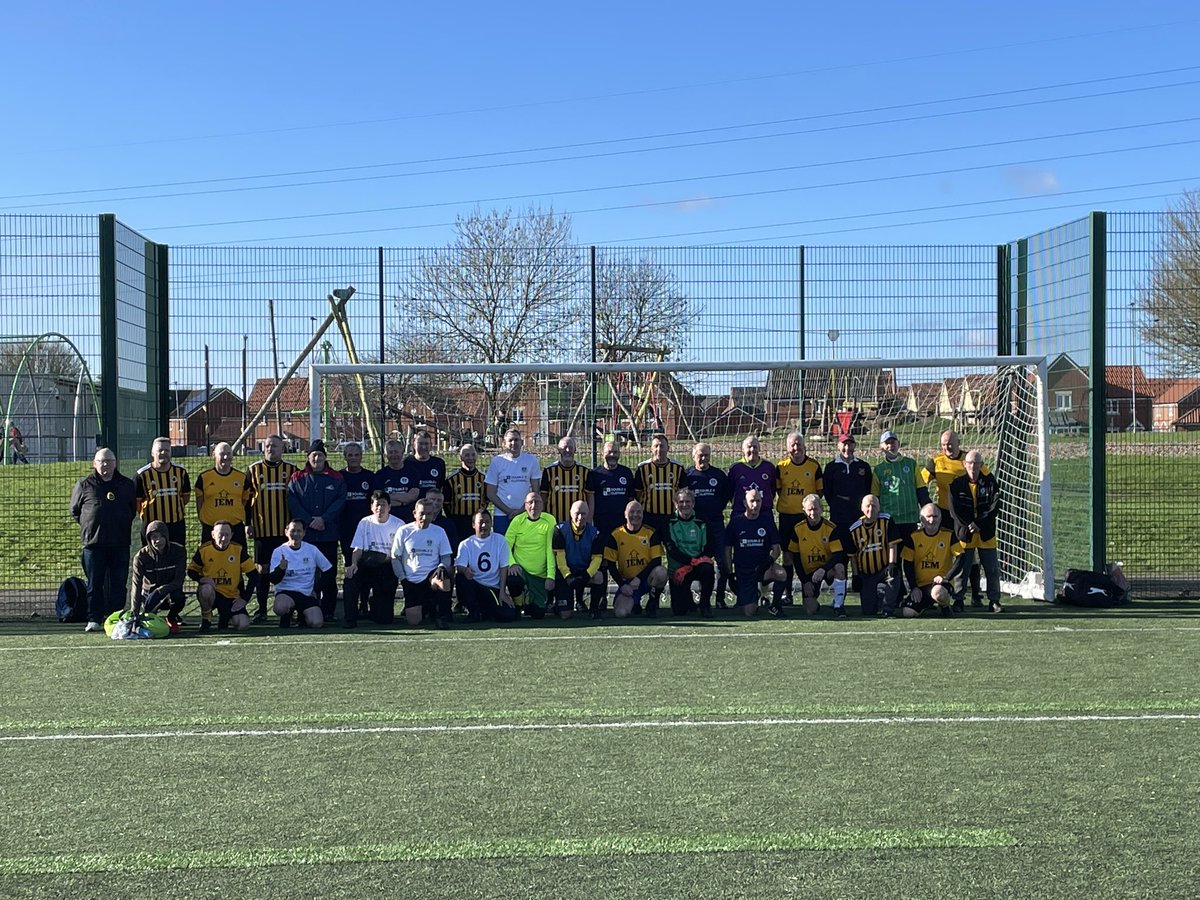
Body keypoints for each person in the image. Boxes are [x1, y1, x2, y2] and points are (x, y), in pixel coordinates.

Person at [70, 448, 137, 632]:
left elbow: (132, 510)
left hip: (120, 543)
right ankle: (94, 618)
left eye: (109, 461)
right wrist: (90, 526)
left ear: (115, 463)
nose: (105, 464)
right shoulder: (84, 485)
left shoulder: (126, 485)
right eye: (101, 461)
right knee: (94, 584)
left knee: (118, 583)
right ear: (94, 463)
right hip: (93, 545)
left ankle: (115, 618)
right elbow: (75, 511)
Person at [922, 430, 987, 606]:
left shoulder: (968, 459)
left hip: (965, 517)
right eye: (943, 444)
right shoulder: (935, 462)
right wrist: (929, 505)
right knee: (945, 552)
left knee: (969, 555)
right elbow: (921, 482)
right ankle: (943, 588)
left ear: (959, 442)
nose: (947, 447)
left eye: (950, 443)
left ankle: (975, 594)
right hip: (943, 515)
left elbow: (987, 478)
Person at [287, 440, 347, 620]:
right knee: (305, 573)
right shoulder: (297, 477)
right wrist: (308, 521)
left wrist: (324, 519)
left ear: (325, 457)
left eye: (320, 455)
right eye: (313, 455)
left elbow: (340, 500)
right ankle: (304, 609)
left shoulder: (336, 478)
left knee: (329, 572)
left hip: (328, 534)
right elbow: (292, 501)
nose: (316, 458)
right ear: (308, 457)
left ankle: (328, 610)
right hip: (306, 536)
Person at [245, 434, 298, 624]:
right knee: (263, 570)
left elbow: (297, 499)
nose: (270, 449)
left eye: (274, 446)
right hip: (262, 529)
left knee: (286, 568)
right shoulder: (253, 470)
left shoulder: (292, 470)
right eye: (267, 445)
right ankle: (261, 609)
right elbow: (246, 500)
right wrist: (247, 523)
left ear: (282, 449)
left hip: (285, 530)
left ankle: (289, 608)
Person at [947, 450, 1004, 613]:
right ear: (964, 464)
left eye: (976, 463)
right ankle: (958, 600)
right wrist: (969, 524)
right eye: (970, 463)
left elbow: (994, 506)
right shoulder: (956, 484)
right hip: (965, 533)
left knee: (992, 569)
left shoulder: (990, 482)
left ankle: (994, 601)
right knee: (962, 569)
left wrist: (979, 523)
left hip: (986, 532)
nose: (973, 466)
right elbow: (954, 510)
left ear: (981, 465)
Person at [390, 498, 453, 628]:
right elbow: (395, 557)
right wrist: (403, 579)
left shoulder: (439, 531)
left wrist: (441, 566)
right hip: (411, 580)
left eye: (429, 514)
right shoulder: (404, 531)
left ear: (433, 514)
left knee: (444, 579)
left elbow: (446, 557)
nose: (425, 517)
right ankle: (427, 607)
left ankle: (442, 616)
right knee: (414, 622)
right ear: (414, 513)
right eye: (422, 513)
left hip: (431, 576)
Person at [724, 487, 787, 617]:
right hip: (744, 571)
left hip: (763, 568)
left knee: (781, 573)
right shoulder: (736, 522)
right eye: (752, 501)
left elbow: (777, 549)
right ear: (744, 503)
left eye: (758, 501)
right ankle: (755, 594)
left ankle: (775, 606)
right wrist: (730, 574)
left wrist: (768, 561)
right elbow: (727, 549)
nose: (755, 504)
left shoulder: (767, 521)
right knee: (749, 613)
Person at [776, 432, 823, 605]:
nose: (796, 448)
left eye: (799, 444)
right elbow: (779, 490)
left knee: (805, 555)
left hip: (806, 519)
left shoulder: (814, 466)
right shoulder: (781, 466)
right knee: (787, 556)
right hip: (787, 517)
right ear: (787, 447)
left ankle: (808, 589)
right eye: (792, 445)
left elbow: (819, 492)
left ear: (804, 446)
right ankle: (787, 594)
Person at [342, 489, 402, 627]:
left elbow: (399, 553)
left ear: (389, 507)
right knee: (350, 578)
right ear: (371, 507)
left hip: (387, 566)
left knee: (384, 619)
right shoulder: (365, 522)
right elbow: (358, 549)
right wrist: (353, 564)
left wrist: (383, 558)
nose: (380, 508)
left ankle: (374, 607)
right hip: (366, 565)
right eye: (377, 505)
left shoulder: (399, 524)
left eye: (383, 504)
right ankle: (350, 618)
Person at [685, 442, 733, 607]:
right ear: (693, 456)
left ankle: (720, 598)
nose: (703, 458)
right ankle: (695, 597)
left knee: (723, 561)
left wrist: (717, 507)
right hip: (695, 527)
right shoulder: (688, 476)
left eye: (706, 455)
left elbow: (727, 495)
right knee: (695, 562)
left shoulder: (718, 475)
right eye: (700, 455)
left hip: (716, 525)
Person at [782, 494, 846, 616]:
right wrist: (805, 581)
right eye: (810, 509)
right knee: (810, 610)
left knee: (840, 568)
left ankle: (838, 606)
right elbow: (795, 558)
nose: (813, 513)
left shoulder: (830, 528)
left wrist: (823, 569)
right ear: (804, 511)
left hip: (826, 569)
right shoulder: (798, 529)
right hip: (809, 574)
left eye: (816, 509)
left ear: (821, 509)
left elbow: (838, 555)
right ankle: (814, 600)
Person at [603, 500, 668, 618]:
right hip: (628, 583)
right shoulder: (615, 535)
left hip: (646, 579)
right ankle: (635, 604)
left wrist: (639, 578)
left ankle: (652, 603)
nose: (635, 515)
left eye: (639, 512)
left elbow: (656, 560)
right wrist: (622, 585)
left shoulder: (650, 533)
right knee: (621, 613)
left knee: (661, 572)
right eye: (632, 512)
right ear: (625, 514)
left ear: (643, 514)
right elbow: (611, 565)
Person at [188, 520, 257, 632]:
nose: (224, 539)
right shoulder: (204, 550)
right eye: (220, 535)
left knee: (242, 625)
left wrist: (244, 599)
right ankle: (206, 617)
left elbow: (254, 575)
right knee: (205, 589)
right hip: (213, 593)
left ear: (232, 535)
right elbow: (191, 571)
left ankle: (226, 617)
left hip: (232, 596)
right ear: (213, 535)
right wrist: (201, 579)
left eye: (227, 535)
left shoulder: (238, 550)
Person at [269, 519, 334, 629]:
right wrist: (280, 569)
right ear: (286, 532)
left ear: (304, 533)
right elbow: (273, 580)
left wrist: (316, 589)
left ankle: (302, 616)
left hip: (306, 593)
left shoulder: (312, 549)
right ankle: (286, 615)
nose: (295, 534)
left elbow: (329, 570)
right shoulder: (279, 551)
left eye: (299, 531)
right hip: (286, 592)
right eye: (292, 530)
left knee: (316, 623)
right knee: (280, 607)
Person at [662, 488, 717, 618]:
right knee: (679, 611)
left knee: (708, 570)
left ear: (693, 503)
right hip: (679, 569)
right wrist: (687, 563)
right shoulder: (668, 522)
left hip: (697, 564)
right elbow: (671, 549)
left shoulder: (702, 521)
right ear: (675, 503)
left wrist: (694, 563)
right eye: (681, 502)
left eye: (688, 502)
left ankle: (705, 605)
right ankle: (689, 601)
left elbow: (710, 547)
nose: (684, 505)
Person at [845, 494, 902, 618]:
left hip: (884, 569)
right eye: (868, 506)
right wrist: (855, 575)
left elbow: (893, 544)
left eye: (874, 506)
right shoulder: (854, 529)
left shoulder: (886, 521)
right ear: (862, 508)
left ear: (879, 507)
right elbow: (852, 556)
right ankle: (879, 595)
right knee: (868, 611)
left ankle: (888, 609)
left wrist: (892, 564)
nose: (871, 509)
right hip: (866, 574)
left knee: (894, 575)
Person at [455, 509, 516, 623]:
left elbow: (504, 568)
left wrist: (502, 592)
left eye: (487, 522)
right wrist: (465, 570)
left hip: (492, 588)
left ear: (491, 523)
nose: (484, 525)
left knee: (508, 616)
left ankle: (484, 610)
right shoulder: (465, 544)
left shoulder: (500, 540)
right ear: (473, 525)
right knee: (461, 578)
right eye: (481, 522)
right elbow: (459, 567)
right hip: (475, 585)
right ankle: (473, 611)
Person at [504, 491, 557, 618]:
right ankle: (518, 604)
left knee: (537, 614)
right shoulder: (517, 520)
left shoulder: (549, 520)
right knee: (512, 578)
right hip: (521, 571)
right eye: (530, 502)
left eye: (537, 502)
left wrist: (551, 576)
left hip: (540, 575)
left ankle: (528, 600)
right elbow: (505, 545)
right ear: (525, 505)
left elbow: (550, 550)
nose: (534, 505)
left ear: (542, 504)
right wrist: (512, 564)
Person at [900, 503, 958, 618]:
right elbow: (907, 564)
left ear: (940, 518)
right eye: (928, 516)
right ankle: (927, 603)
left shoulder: (949, 535)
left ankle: (945, 606)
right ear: (922, 519)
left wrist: (947, 577)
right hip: (921, 586)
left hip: (942, 584)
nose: (932, 520)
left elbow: (961, 558)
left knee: (937, 593)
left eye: (935, 516)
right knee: (908, 613)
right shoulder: (914, 537)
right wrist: (914, 588)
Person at [552, 500, 605, 620]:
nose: (580, 517)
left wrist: (586, 575)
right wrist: (568, 576)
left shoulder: (595, 533)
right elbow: (559, 557)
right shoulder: (559, 530)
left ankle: (594, 608)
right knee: (565, 615)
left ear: (588, 514)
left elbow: (597, 559)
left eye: (584, 514)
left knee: (599, 576)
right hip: (565, 574)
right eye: (577, 513)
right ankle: (558, 604)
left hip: (584, 571)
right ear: (570, 513)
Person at [872, 430, 928, 544]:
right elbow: (875, 496)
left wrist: (926, 510)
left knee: (910, 554)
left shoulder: (911, 464)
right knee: (893, 555)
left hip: (910, 518)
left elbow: (921, 490)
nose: (890, 445)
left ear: (898, 444)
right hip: (889, 519)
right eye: (887, 443)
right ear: (881, 447)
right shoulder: (878, 470)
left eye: (893, 442)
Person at [134, 436, 191, 548]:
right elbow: (137, 502)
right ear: (152, 453)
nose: (163, 453)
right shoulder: (142, 475)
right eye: (160, 450)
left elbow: (185, 497)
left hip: (176, 525)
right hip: (151, 525)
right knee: (152, 559)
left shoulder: (181, 472)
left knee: (176, 557)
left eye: (167, 450)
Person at [129, 519, 188, 626]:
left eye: (161, 536)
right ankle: (150, 615)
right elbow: (136, 585)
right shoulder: (141, 557)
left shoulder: (179, 551)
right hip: (149, 596)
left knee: (179, 598)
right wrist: (134, 612)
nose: (158, 541)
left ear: (166, 537)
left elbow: (179, 580)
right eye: (154, 537)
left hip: (170, 593)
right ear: (148, 539)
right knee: (147, 621)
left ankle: (172, 617)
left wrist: (160, 591)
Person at [485, 428, 541, 535]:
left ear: (522, 442)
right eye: (510, 440)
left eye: (516, 440)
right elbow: (490, 493)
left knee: (524, 547)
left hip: (525, 513)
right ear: (504, 443)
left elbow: (535, 491)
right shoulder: (497, 461)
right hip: (502, 515)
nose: (513, 443)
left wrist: (522, 510)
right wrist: (508, 511)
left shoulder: (531, 460)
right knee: (504, 547)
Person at [195, 441, 251, 547]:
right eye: (222, 454)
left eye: (229, 453)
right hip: (210, 528)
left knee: (238, 561)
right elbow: (199, 503)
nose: (226, 457)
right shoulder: (204, 477)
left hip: (235, 528)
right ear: (214, 455)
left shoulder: (241, 478)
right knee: (208, 561)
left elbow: (244, 500)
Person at [822, 433, 874, 544]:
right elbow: (827, 491)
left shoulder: (863, 466)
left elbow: (868, 489)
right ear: (838, 445)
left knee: (860, 547)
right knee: (841, 550)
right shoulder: (831, 467)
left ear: (854, 446)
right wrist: (837, 504)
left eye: (850, 445)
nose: (847, 448)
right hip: (839, 517)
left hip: (859, 516)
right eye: (844, 445)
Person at [633, 433, 685, 535]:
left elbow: (683, 492)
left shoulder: (678, 468)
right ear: (651, 449)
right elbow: (638, 494)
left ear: (668, 448)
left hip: (671, 516)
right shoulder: (642, 468)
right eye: (656, 446)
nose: (659, 449)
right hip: (649, 517)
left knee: (671, 547)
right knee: (650, 547)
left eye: (662, 446)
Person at [586, 439, 636, 542]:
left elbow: (631, 500)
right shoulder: (594, 474)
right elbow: (590, 501)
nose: (612, 454)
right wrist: (589, 524)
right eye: (609, 452)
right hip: (601, 525)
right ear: (602, 453)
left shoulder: (626, 473)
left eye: (615, 452)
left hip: (622, 525)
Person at [540, 436, 591, 526]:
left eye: (570, 447)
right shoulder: (549, 471)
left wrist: (589, 519)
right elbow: (543, 497)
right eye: (564, 447)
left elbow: (590, 498)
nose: (567, 450)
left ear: (575, 450)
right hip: (554, 522)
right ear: (559, 450)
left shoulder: (585, 471)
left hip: (578, 523)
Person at [398, 430, 447, 522]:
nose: (423, 447)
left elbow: (440, 487)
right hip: (412, 512)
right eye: (420, 443)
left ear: (431, 445)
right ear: (414, 444)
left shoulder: (439, 463)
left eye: (426, 444)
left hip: (432, 512)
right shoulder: (406, 463)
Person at [729, 435, 778, 521]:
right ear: (743, 450)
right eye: (749, 447)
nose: (752, 450)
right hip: (740, 512)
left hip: (764, 511)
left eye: (755, 447)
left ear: (759, 449)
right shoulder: (735, 468)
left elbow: (773, 489)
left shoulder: (768, 467)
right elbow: (729, 491)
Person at [445, 443, 487, 542]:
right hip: (458, 521)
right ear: (460, 458)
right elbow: (446, 503)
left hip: (477, 520)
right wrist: (452, 520)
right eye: (467, 455)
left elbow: (487, 499)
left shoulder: (484, 478)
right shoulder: (452, 479)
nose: (470, 458)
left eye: (473, 455)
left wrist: (480, 514)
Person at [373, 439, 419, 523]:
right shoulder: (380, 474)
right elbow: (379, 499)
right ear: (385, 455)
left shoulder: (412, 472)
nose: (394, 455)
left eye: (396, 452)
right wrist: (402, 501)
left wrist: (389, 497)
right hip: (387, 519)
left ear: (402, 453)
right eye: (390, 452)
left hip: (409, 518)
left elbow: (412, 496)